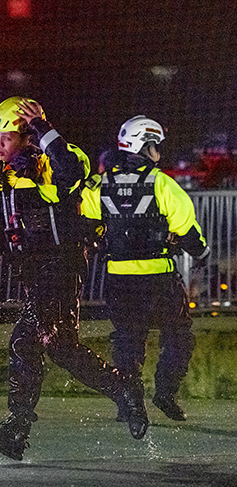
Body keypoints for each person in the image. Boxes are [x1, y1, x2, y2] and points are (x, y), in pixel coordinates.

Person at [0, 97, 142, 461]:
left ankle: (19, 426)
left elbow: (73, 174)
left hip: (62, 262)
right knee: (49, 344)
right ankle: (122, 390)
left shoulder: (54, 160)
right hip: (31, 271)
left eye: (8, 136)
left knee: (29, 341)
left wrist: (44, 128)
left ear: (28, 136)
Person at [81, 115, 210, 428]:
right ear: (145, 145)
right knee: (179, 337)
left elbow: (85, 223)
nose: (158, 153)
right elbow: (188, 231)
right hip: (159, 280)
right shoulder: (161, 183)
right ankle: (165, 394)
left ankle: (129, 405)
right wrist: (202, 253)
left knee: (127, 341)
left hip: (118, 280)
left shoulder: (100, 184)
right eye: (156, 146)